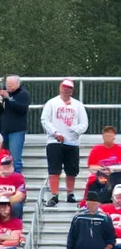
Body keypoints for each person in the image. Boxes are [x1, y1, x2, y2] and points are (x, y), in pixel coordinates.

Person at [42, 79, 89, 207]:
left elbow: (84, 123)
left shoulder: (78, 105)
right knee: (54, 169)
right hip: (54, 141)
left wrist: (75, 130)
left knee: (71, 170)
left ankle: (70, 193)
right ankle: (54, 194)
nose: (66, 89)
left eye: (69, 88)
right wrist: (55, 132)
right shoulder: (51, 103)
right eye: (64, 87)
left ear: (72, 90)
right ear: (60, 88)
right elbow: (45, 120)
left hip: (72, 142)